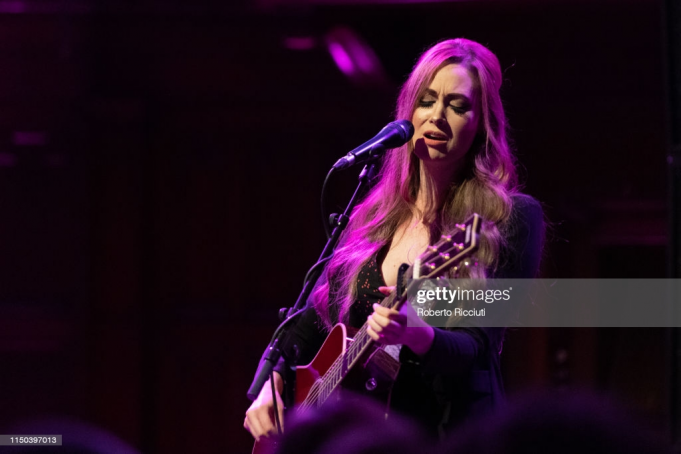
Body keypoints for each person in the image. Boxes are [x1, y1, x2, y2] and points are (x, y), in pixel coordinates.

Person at [244, 38, 544, 442]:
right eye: (427, 100)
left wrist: (416, 333)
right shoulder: (372, 217)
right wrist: (274, 383)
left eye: (457, 105)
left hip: (448, 435)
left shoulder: (508, 218)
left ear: (482, 123)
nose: (437, 116)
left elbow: (477, 346)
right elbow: (313, 318)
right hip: (360, 439)